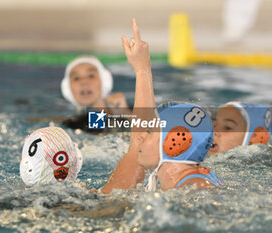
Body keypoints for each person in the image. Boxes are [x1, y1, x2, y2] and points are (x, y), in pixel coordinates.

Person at [100, 19, 222, 194]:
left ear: (174, 143)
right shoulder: (193, 180)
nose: (141, 137)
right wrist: (142, 69)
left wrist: (142, 70)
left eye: (150, 132)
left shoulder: (196, 189)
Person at [61, 55, 130, 112]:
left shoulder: (126, 117)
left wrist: (126, 114)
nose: (84, 82)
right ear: (67, 88)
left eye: (91, 76)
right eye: (76, 78)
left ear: (104, 81)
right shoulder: (63, 123)